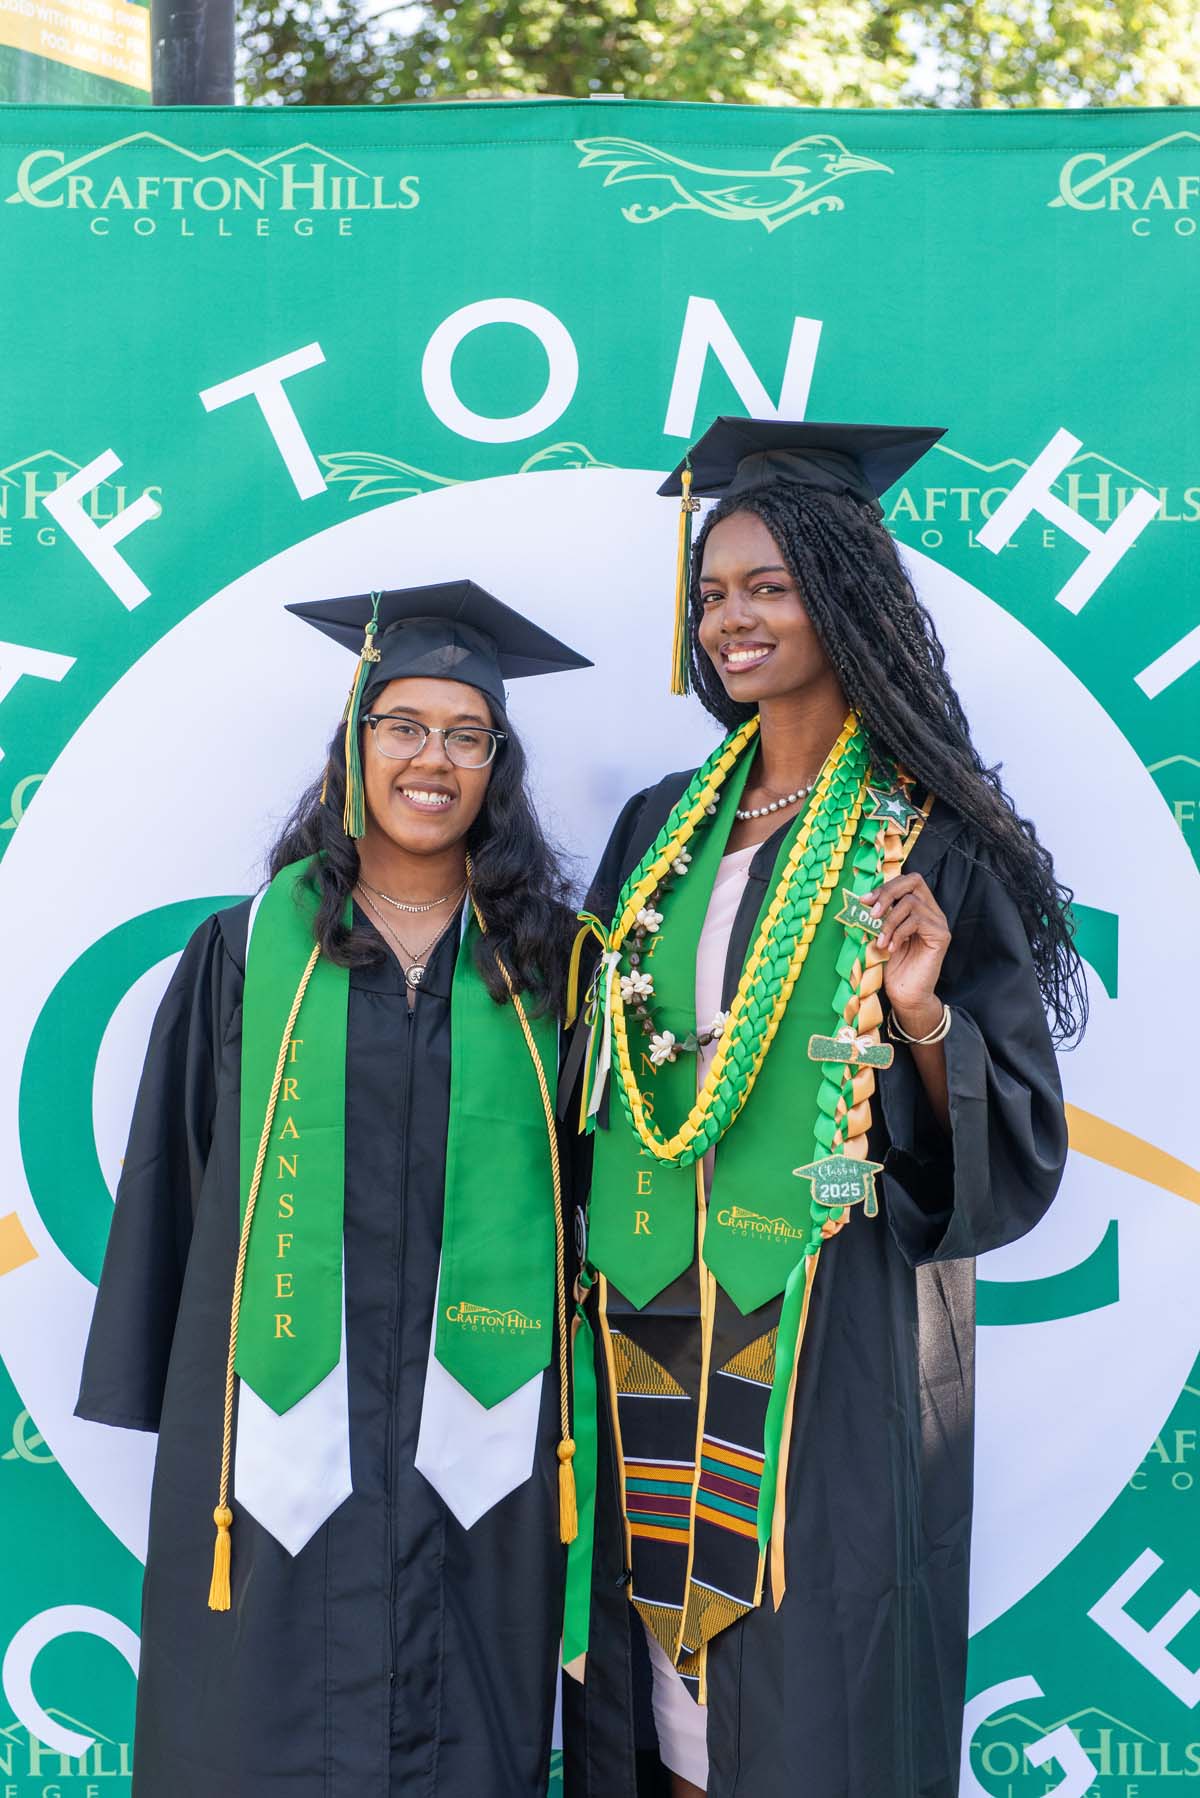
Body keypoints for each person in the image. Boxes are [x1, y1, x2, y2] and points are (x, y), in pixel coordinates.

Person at [561, 420, 1082, 1798]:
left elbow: (1012, 1144)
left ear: (844, 595)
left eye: (769, 587)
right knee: (660, 1697)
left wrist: (920, 1009)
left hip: (829, 1326)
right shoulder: (661, 827)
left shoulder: (929, 835)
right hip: (646, 1317)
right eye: (714, 593)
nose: (732, 618)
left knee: (810, 1696)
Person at [77, 580, 591, 1797]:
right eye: (403, 724)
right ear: (353, 748)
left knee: (467, 1723)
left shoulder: (557, 968)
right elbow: (180, 1183)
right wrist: (188, 1387)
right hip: (272, 1431)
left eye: (468, 735)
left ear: (497, 768)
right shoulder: (248, 953)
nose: (433, 758)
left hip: (490, 1435)